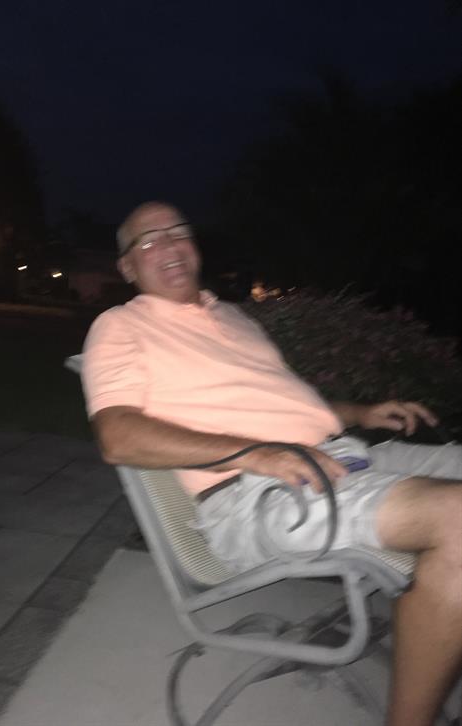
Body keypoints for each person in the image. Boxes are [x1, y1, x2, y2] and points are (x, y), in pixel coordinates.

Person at [81, 201, 462, 726]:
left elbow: (289, 406)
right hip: (256, 491)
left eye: (178, 231)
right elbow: (117, 435)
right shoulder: (120, 325)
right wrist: (255, 452)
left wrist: (361, 413)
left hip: (346, 457)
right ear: (127, 267)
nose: (168, 244)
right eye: (148, 240)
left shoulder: (234, 317)